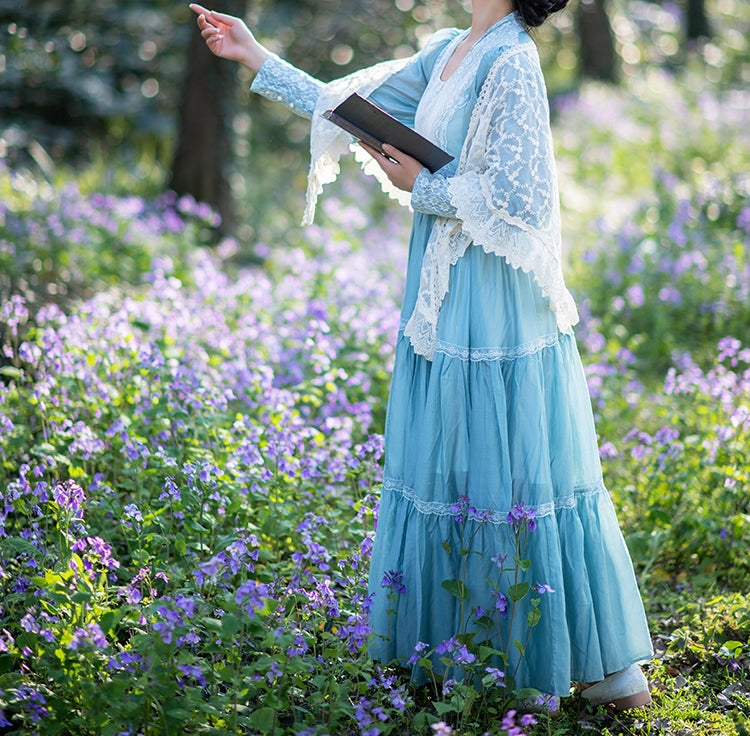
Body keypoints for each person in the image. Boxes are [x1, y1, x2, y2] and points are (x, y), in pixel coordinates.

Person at [190, 0, 653, 710]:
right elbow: (351, 104)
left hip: (494, 293)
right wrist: (254, 56)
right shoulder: (446, 51)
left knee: (510, 465)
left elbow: (518, 200)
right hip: (443, 277)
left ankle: (549, 662)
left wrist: (424, 187)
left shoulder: (513, 60)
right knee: (458, 451)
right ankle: (470, 646)